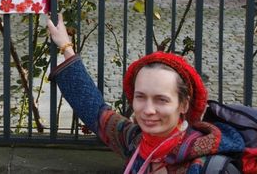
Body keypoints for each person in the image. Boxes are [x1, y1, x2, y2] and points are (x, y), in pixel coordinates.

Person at [46, 13, 246, 173]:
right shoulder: (136, 140)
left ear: (183, 104)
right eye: (141, 97)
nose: (148, 110)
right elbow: (95, 110)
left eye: (161, 99)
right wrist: (65, 46)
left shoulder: (208, 165)